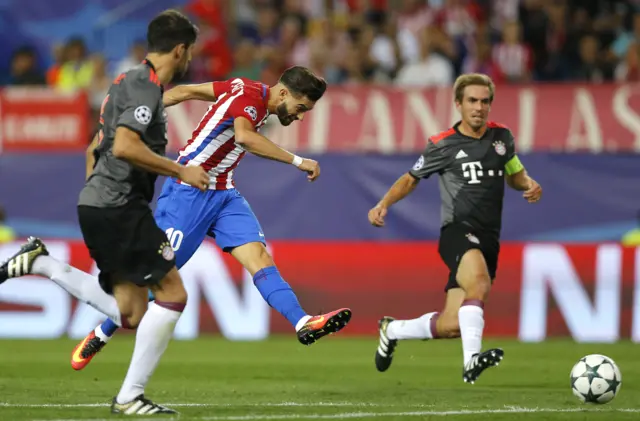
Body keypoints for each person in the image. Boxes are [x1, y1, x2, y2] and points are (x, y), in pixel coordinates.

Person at [0, 66, 351, 371]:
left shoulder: (243, 88)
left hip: (224, 194)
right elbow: (244, 137)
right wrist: (297, 161)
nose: (301, 115)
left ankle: (303, 322)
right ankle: (98, 326)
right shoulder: (252, 101)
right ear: (285, 92)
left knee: (259, 258)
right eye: (301, 107)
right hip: (188, 195)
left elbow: (183, 91)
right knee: (152, 284)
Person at [0, 9, 207, 415]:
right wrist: (182, 169)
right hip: (120, 205)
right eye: (189, 54)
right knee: (174, 293)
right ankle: (130, 397)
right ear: (180, 50)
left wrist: (95, 192)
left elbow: (93, 148)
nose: (188, 61)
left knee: (131, 312)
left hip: (100, 202)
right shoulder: (145, 88)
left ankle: (42, 264)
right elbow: (127, 147)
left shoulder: (123, 84)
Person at [368, 73, 542, 384]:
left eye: (485, 101)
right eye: (472, 101)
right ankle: (471, 360)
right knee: (479, 284)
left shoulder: (502, 138)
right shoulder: (443, 144)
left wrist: (527, 183)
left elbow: (513, 172)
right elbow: (411, 178)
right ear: (458, 104)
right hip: (457, 231)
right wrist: (384, 204)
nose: (479, 107)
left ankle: (391, 330)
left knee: (452, 325)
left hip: (489, 238)